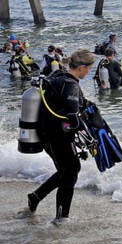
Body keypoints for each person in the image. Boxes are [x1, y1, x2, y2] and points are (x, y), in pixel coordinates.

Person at [26, 50, 96, 223]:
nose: (89, 72)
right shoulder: (71, 85)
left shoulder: (57, 77)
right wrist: (90, 138)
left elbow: (66, 104)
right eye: (89, 69)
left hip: (46, 134)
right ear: (81, 67)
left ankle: (36, 196)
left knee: (68, 170)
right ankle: (61, 217)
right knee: (70, 173)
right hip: (59, 136)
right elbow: (73, 118)